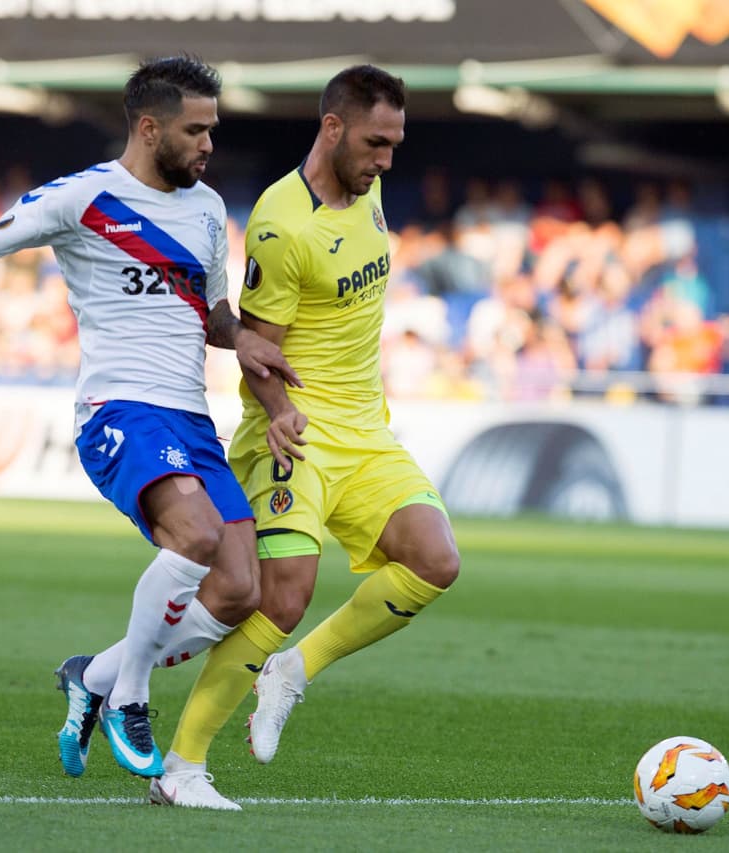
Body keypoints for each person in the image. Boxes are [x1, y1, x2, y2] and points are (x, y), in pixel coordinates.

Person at [0, 57, 300, 798]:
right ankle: (130, 693)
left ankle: (93, 675)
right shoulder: (85, 196)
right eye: (195, 130)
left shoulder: (204, 210)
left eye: (213, 129)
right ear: (148, 127)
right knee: (196, 538)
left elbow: (211, 312)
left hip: (191, 417)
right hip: (119, 410)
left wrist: (245, 340)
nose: (208, 145)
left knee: (239, 589)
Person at [158, 64, 460, 807]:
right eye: (375, 143)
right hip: (293, 436)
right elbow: (259, 344)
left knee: (435, 559)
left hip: (366, 430)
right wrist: (281, 410)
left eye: (395, 144)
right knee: (283, 596)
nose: (387, 160)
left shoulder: (371, 189)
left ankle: (293, 671)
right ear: (332, 127)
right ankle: (181, 766)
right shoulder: (281, 222)